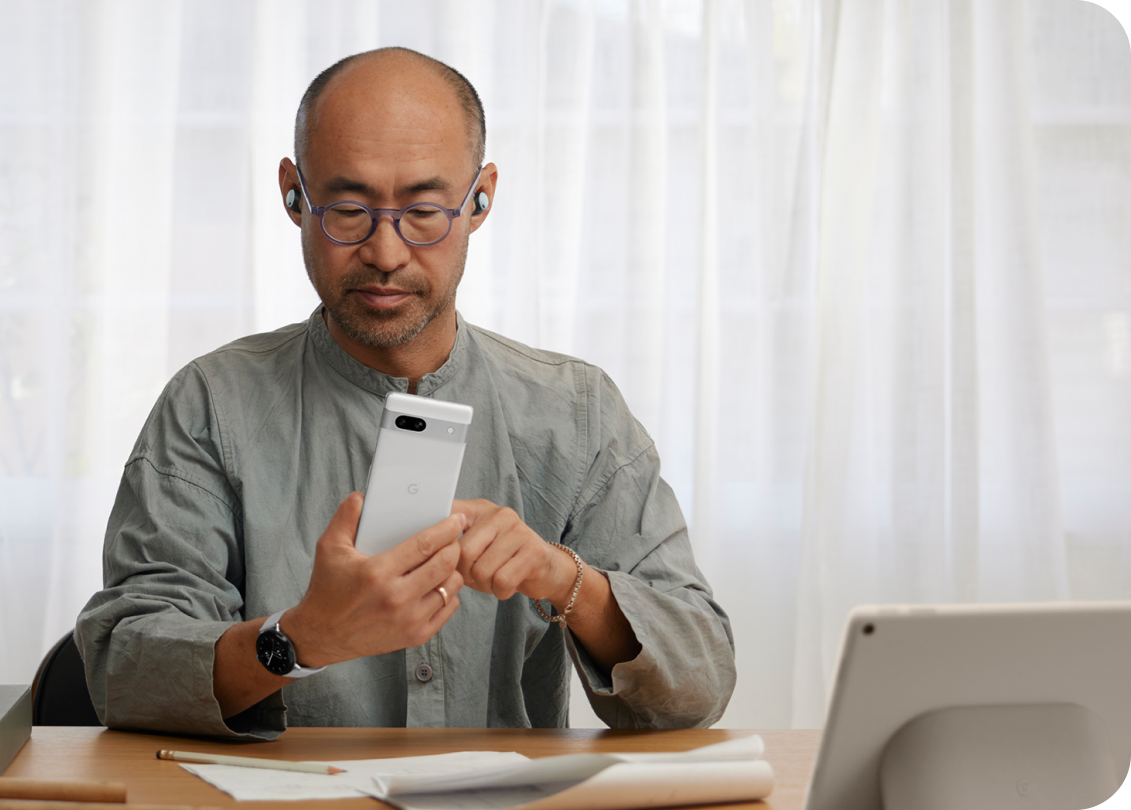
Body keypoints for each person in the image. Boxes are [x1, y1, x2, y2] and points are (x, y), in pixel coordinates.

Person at [75, 47, 735, 739]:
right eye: (349, 208)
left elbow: (702, 680)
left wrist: (561, 577)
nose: (387, 254)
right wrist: (298, 640)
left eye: (424, 210)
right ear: (293, 194)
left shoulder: (577, 412)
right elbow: (123, 670)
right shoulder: (211, 405)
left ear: (479, 198)